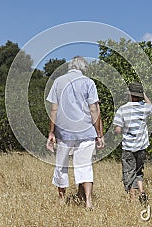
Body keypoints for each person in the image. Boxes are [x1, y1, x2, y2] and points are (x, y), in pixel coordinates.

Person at [46, 56, 105, 209]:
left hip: (64, 132)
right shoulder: (88, 82)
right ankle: (88, 201)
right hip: (85, 131)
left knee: (61, 165)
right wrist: (99, 133)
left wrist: (51, 132)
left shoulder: (58, 82)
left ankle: (61, 199)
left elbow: (54, 109)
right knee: (85, 166)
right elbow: (94, 110)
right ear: (83, 68)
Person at [113, 82, 152, 204]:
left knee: (129, 172)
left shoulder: (123, 109)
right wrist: (145, 95)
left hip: (128, 147)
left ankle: (133, 198)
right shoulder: (144, 108)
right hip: (141, 147)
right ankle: (142, 192)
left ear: (129, 95)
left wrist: (117, 130)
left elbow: (118, 130)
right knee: (138, 171)